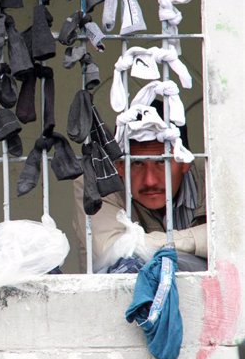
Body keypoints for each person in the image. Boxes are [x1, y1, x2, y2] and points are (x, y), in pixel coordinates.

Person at [73, 104, 207, 273]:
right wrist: (199, 240)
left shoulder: (214, 179)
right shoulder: (97, 183)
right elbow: (113, 250)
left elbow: (235, 237)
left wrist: (139, 242)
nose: (150, 181)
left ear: (185, 162)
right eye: (137, 163)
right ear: (119, 166)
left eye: (161, 162)